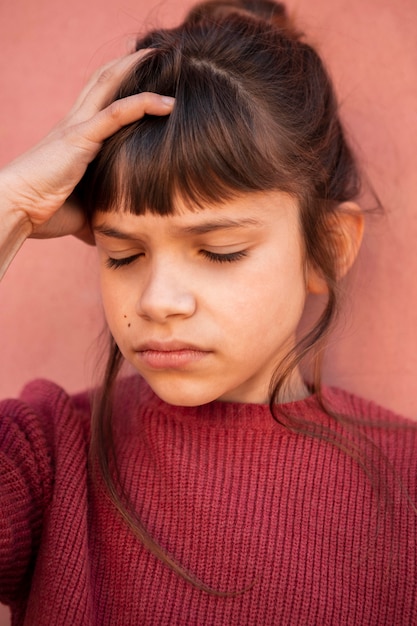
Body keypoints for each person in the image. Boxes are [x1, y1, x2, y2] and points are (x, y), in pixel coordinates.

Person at [0, 1, 416, 624]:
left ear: (325, 248)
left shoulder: (406, 490)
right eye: (123, 254)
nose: (158, 301)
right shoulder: (45, 459)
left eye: (219, 252)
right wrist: (12, 207)